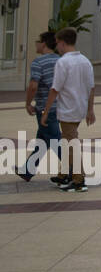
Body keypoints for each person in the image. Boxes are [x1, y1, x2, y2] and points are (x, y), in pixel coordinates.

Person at [42, 28, 95, 192]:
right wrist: (90, 110)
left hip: (67, 109)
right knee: (67, 141)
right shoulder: (85, 61)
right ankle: (63, 174)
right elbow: (91, 87)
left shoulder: (63, 62)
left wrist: (45, 112)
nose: (57, 46)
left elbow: (55, 89)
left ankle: (79, 179)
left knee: (71, 143)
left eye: (57, 43)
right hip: (80, 107)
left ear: (63, 43)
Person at [19, 31, 61, 184]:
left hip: (45, 108)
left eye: (38, 41)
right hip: (58, 106)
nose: (36, 44)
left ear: (43, 44)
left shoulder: (38, 62)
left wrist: (28, 103)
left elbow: (33, 86)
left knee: (56, 142)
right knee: (43, 140)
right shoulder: (60, 60)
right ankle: (27, 170)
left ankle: (74, 171)